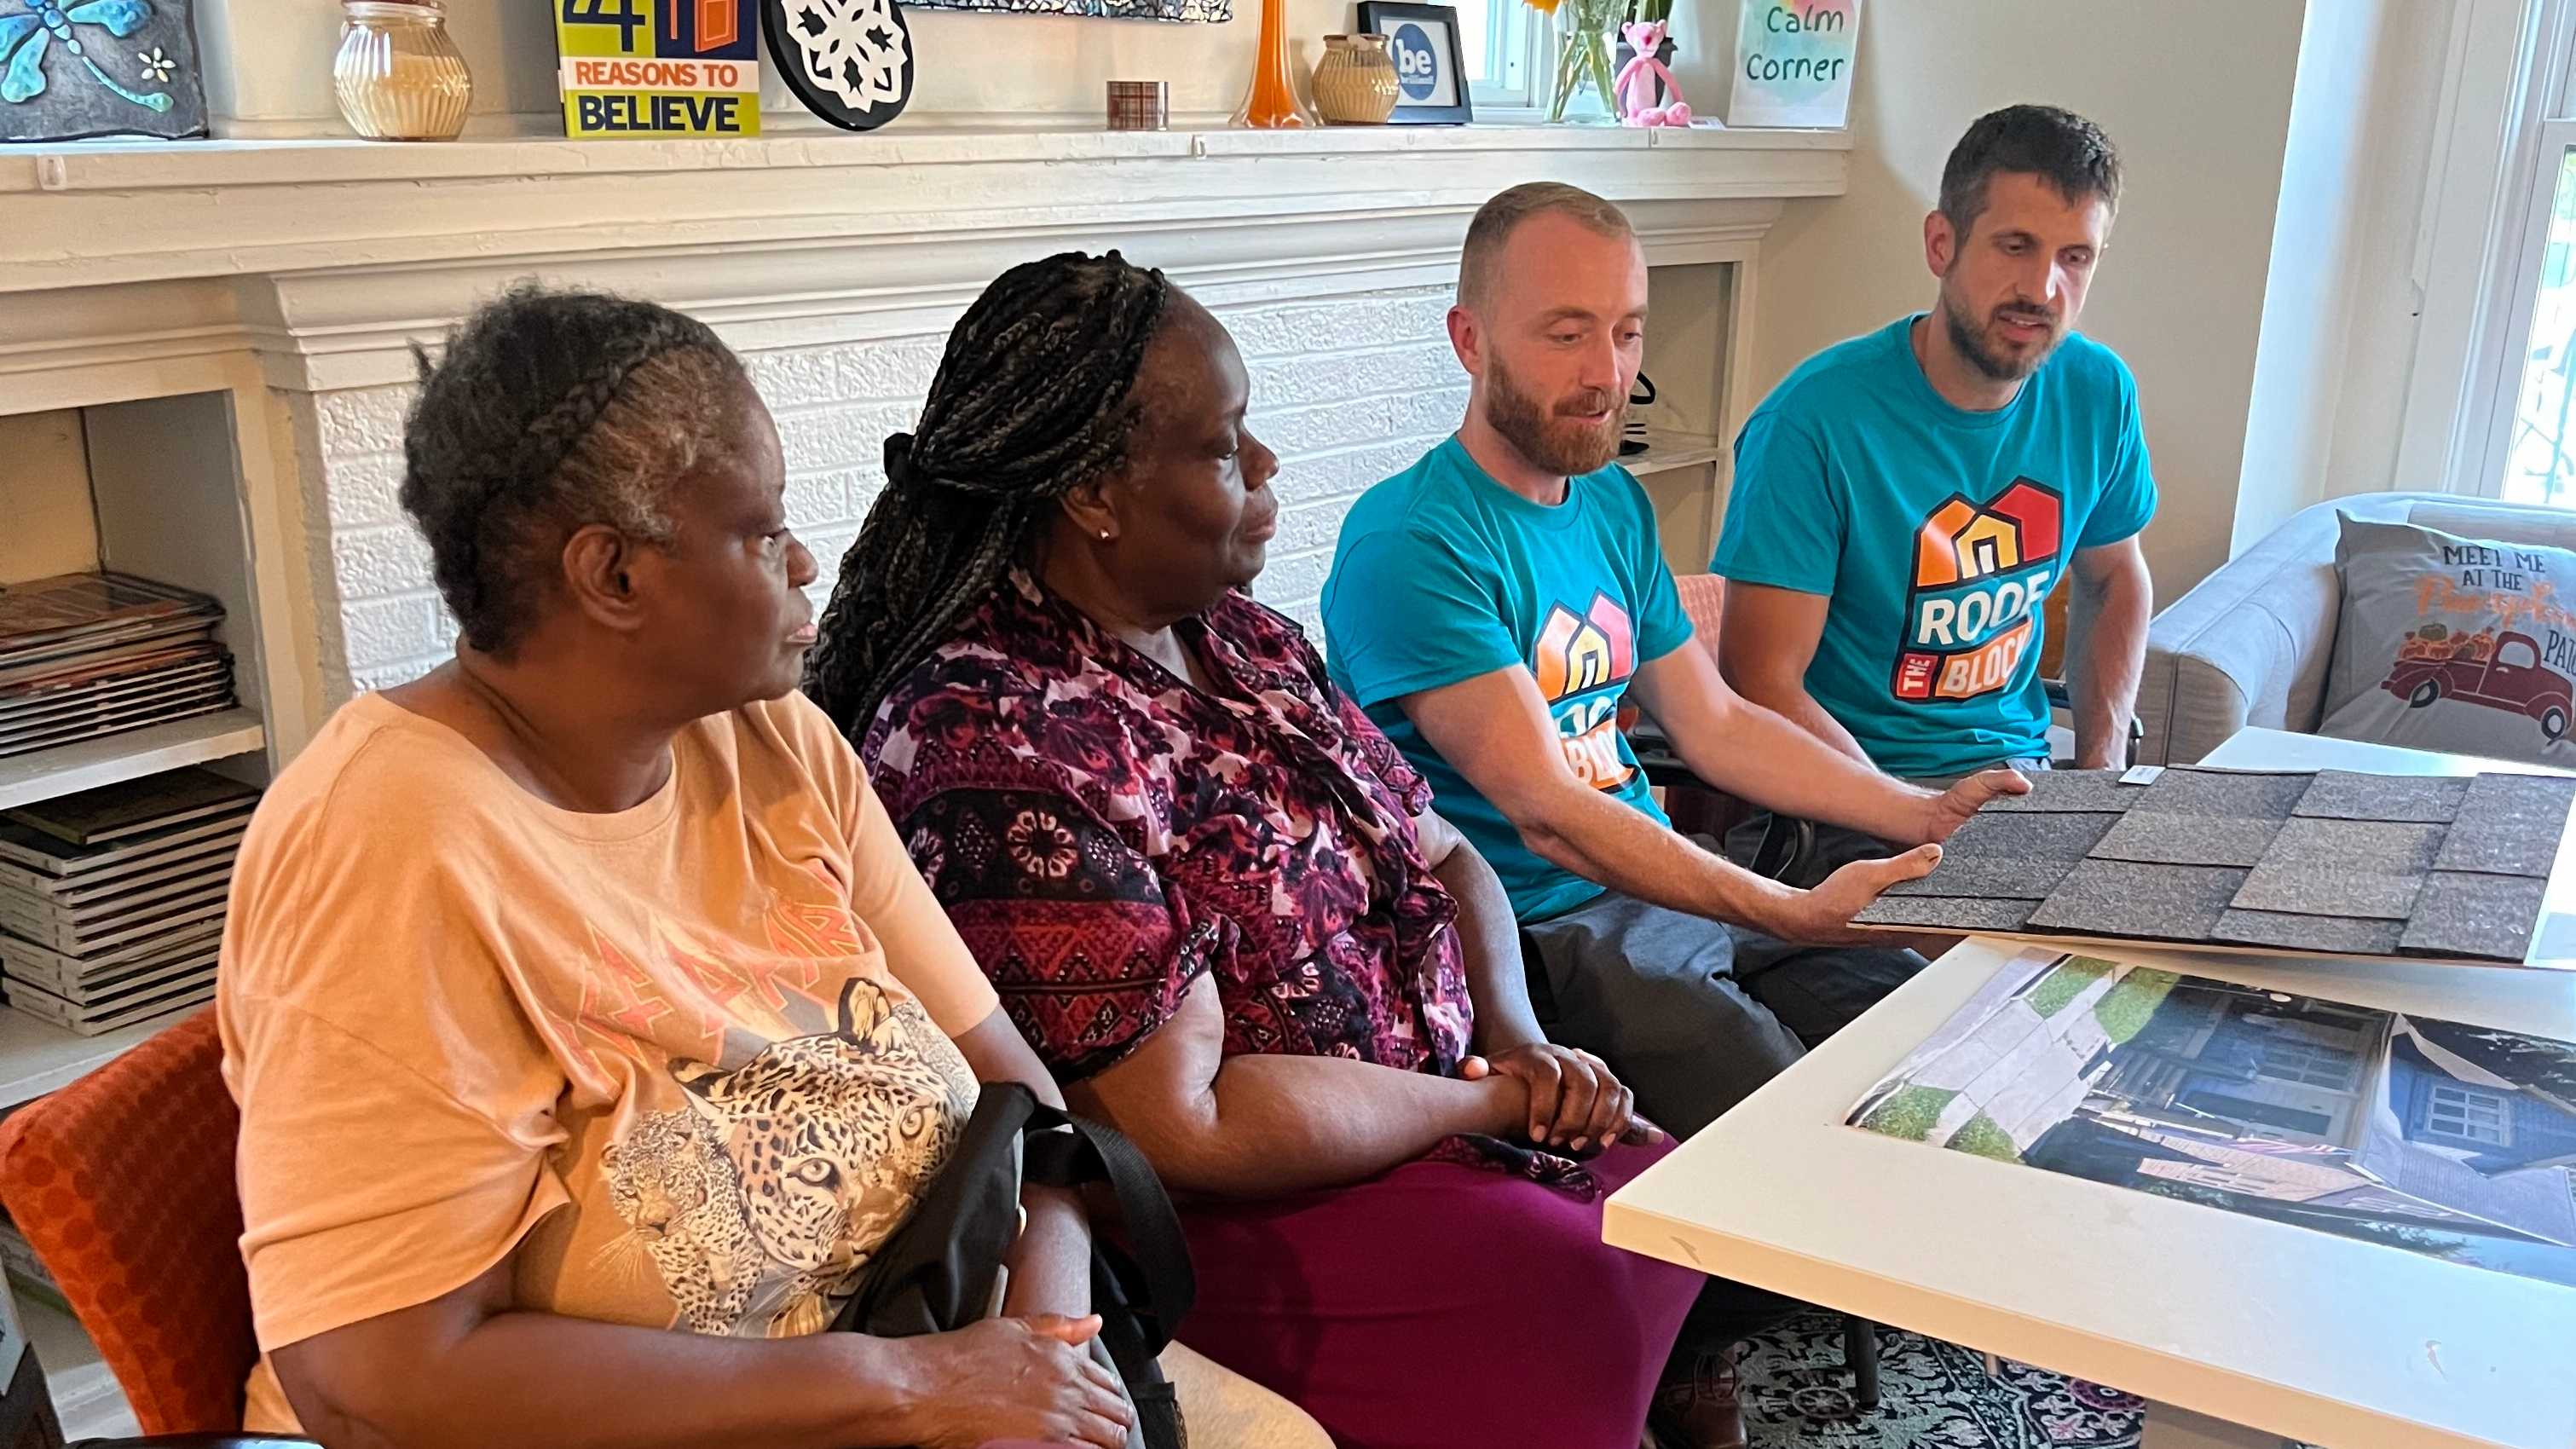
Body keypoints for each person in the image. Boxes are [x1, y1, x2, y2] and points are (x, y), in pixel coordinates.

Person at [217, 286, 1323, 1449]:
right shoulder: (391, 841)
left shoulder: (773, 742)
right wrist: (923, 1389)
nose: (803, 557)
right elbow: (378, 1377)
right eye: (759, 529)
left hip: (935, 1358)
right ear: (614, 577)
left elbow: (1026, 1106)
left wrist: (1036, 1359)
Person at [807, 251, 1739, 1449]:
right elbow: (1182, 1127)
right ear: (1094, 489)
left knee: (1661, 1196)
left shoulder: (1239, 638)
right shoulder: (990, 734)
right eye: (1222, 446)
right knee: (1587, 1273)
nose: (1264, 469)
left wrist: (1518, 1042)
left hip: (1434, 1115)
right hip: (1239, 1213)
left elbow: (1445, 855)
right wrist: (1482, 1103)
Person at [1320, 182, 2028, 1143]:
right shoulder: (1410, 541)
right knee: (1801, 1124)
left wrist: (1917, 807)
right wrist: (1790, 907)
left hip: (1667, 882)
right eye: (1565, 333)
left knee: (1932, 1043)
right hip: (1546, 938)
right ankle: (1784, 1296)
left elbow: (1716, 724)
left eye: (1627, 332)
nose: (1605, 372)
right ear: (1470, 339)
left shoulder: (1609, 503)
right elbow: (1551, 815)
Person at [1713, 105, 2156, 886]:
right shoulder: (1813, 423)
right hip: (1845, 815)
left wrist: (2097, 777)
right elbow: (1763, 683)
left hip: (2022, 792)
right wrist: (1910, 809)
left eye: (2075, 257)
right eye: (2015, 246)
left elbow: (2117, 576)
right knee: (2007, 990)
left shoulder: (2098, 392)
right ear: (1941, 243)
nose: (2042, 288)